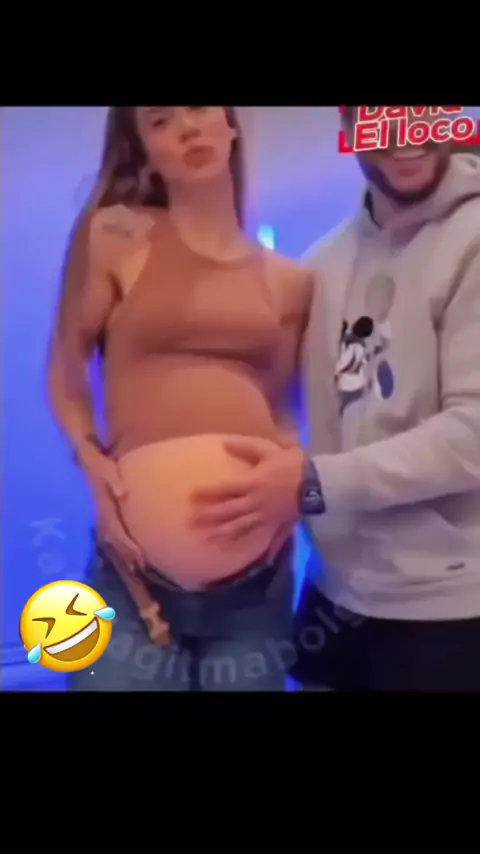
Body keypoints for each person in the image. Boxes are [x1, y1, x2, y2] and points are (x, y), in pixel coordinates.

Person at [192, 107, 480, 692]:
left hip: (453, 607)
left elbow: (472, 435)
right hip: (335, 596)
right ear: (350, 129)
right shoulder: (320, 266)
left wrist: (310, 484)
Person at [47, 106, 313, 692]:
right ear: (144, 150)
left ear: (230, 122)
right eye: (160, 121)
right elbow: (65, 370)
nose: (187, 128)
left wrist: (293, 487)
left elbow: (282, 411)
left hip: (257, 582)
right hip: (133, 577)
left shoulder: (291, 281)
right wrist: (90, 459)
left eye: (197, 108)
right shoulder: (115, 236)